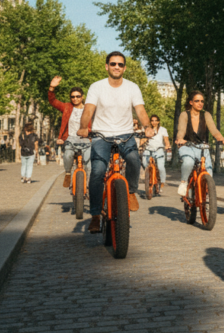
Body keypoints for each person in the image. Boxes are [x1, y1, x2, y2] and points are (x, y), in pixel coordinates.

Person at [77, 51, 154, 233]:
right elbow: (88, 110)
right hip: (101, 135)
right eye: (113, 64)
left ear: (124, 68)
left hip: (125, 134)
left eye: (120, 64)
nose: (116, 67)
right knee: (97, 172)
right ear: (107, 66)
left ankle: (131, 191)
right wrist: (83, 126)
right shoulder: (97, 87)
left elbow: (140, 110)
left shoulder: (132, 87)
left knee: (135, 160)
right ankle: (95, 216)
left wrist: (147, 126)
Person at [175, 91, 224, 196]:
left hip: (202, 146)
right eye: (197, 101)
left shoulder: (206, 115)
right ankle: (184, 182)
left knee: (208, 170)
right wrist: (180, 139)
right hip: (187, 145)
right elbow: (181, 130)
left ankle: (206, 197)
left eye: (202, 101)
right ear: (191, 102)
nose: (200, 103)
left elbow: (214, 130)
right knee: (188, 162)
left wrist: (222, 139)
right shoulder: (184, 114)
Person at [49, 77, 94, 189]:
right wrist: (52, 87)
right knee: (68, 155)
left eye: (78, 96)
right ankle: (68, 173)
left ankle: (90, 187)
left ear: (82, 97)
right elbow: (53, 101)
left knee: (89, 163)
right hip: (70, 138)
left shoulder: (89, 109)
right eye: (72, 97)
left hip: (86, 139)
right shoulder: (67, 107)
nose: (75, 98)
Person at [140, 115, 171, 194]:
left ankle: (161, 184)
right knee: (145, 164)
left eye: (155, 120)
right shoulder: (146, 129)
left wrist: (167, 146)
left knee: (160, 167)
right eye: (152, 120)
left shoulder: (163, 130)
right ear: (150, 121)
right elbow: (142, 139)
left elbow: (166, 140)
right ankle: (148, 181)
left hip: (159, 149)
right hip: (148, 149)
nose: (154, 122)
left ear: (158, 121)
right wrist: (142, 143)